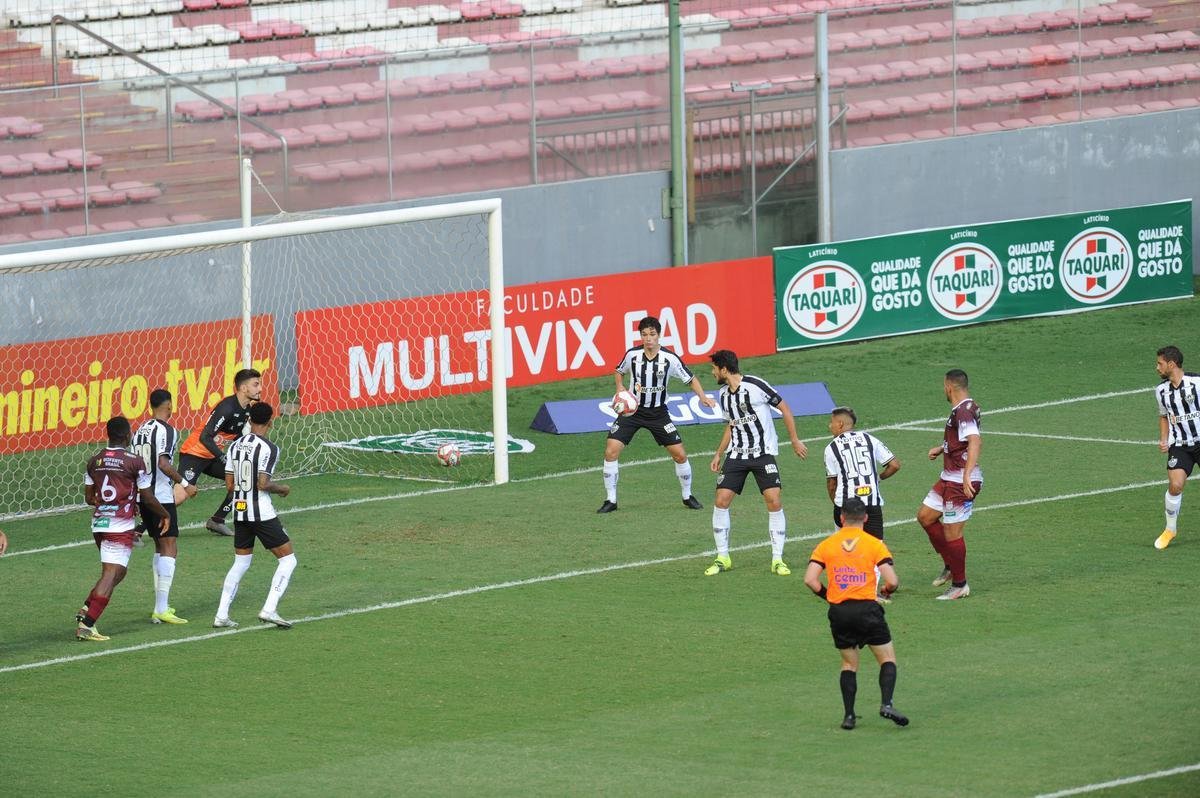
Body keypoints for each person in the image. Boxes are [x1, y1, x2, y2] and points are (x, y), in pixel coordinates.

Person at [804, 498, 909, 730]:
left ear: (841, 518)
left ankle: (849, 716)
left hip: (839, 612)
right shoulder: (873, 544)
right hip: (867, 609)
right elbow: (892, 580)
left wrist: (829, 596)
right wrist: (887, 590)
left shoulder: (826, 545)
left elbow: (810, 580)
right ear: (866, 518)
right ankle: (886, 704)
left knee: (849, 664)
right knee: (887, 659)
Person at [704, 349, 807, 576]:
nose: (712, 373)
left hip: (762, 454)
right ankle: (723, 557)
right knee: (721, 500)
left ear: (723, 368)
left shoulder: (755, 385)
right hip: (737, 455)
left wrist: (794, 440)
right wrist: (718, 453)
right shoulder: (723, 394)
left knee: (773, 500)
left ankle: (777, 560)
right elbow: (731, 425)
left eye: (714, 368)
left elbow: (785, 408)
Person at [598, 315, 716, 513]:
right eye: (644, 335)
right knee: (611, 451)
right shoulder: (632, 355)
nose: (648, 338)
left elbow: (691, 378)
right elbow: (619, 371)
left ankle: (687, 496)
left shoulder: (669, 359)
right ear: (641, 336)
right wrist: (620, 388)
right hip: (632, 412)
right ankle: (611, 500)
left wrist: (703, 397)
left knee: (679, 455)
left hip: (658, 413)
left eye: (652, 334)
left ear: (659, 335)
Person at [76, 417, 171, 641]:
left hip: (99, 524)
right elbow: (147, 497)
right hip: (119, 526)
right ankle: (87, 625)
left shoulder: (94, 461)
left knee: (119, 572)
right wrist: (164, 514)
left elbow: (89, 498)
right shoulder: (135, 461)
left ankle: (85, 610)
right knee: (111, 573)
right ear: (128, 435)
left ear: (108, 434)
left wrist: (110, 502)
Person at [214, 401, 297, 629]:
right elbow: (263, 483)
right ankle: (269, 609)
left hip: (239, 511)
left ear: (249, 420)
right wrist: (282, 489)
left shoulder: (235, 446)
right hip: (261, 511)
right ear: (271, 421)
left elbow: (229, 485)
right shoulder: (269, 448)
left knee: (240, 562)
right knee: (288, 560)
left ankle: (221, 615)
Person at [130, 389, 198, 625]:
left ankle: (160, 606)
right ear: (168, 405)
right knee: (169, 546)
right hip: (160, 496)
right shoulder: (167, 430)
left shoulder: (139, 431)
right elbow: (163, 463)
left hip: (142, 494)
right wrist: (186, 484)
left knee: (159, 546)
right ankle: (161, 608)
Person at [916, 368, 982, 600]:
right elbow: (961, 441)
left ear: (948, 387)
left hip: (959, 481)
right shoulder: (964, 408)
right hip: (949, 477)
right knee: (925, 516)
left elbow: (974, 441)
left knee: (952, 532)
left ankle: (960, 584)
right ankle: (950, 565)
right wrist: (941, 447)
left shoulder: (963, 411)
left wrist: (966, 475)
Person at [178, 368, 262, 536]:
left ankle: (218, 520)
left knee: (243, 480)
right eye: (256, 384)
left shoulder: (246, 409)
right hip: (194, 454)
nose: (260, 389)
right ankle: (138, 529)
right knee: (180, 496)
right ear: (244, 388)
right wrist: (224, 458)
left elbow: (235, 434)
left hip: (212, 455)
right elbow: (205, 437)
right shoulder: (227, 407)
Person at [824, 406, 900, 538]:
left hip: (845, 505)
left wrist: (837, 503)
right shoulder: (869, 439)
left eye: (832, 422)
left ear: (840, 424)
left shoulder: (832, 447)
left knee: (844, 547)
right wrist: (878, 479)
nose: (830, 426)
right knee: (875, 549)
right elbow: (894, 465)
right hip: (872, 503)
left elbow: (832, 484)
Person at [1154, 345, 1200, 550]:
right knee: (1175, 486)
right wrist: (1164, 438)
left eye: (1160, 363)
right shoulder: (1161, 391)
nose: (1157, 368)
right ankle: (1170, 529)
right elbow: (1164, 416)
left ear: (1171, 364)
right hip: (1180, 445)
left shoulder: (1197, 383)